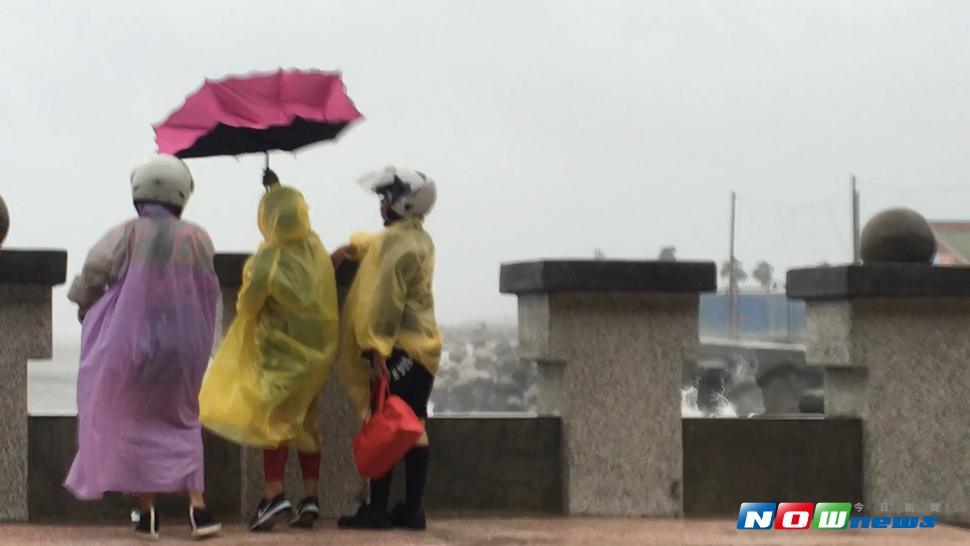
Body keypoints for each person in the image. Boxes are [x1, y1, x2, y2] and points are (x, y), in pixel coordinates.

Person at [65, 154, 221, 541]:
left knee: (137, 421)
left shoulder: (129, 232)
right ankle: (198, 510)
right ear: (181, 194)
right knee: (183, 419)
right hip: (185, 347)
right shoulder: (199, 238)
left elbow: (94, 272)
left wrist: (85, 304)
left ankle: (148, 515)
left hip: (134, 344)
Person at [198, 169, 339, 532]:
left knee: (273, 423)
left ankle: (274, 495)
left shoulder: (270, 259)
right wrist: (276, 187)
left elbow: (248, 305)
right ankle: (310, 497)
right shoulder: (315, 248)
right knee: (307, 425)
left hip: (280, 357)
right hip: (317, 357)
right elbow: (288, 214)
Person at [335, 166, 442, 531]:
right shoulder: (418, 238)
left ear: (406, 202)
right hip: (425, 350)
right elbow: (379, 243)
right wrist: (355, 245)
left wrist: (374, 347)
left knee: (384, 421)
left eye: (388, 197)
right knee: (414, 424)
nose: (382, 203)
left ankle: (377, 509)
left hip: (398, 349)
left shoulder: (393, 243)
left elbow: (384, 301)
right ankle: (413, 509)